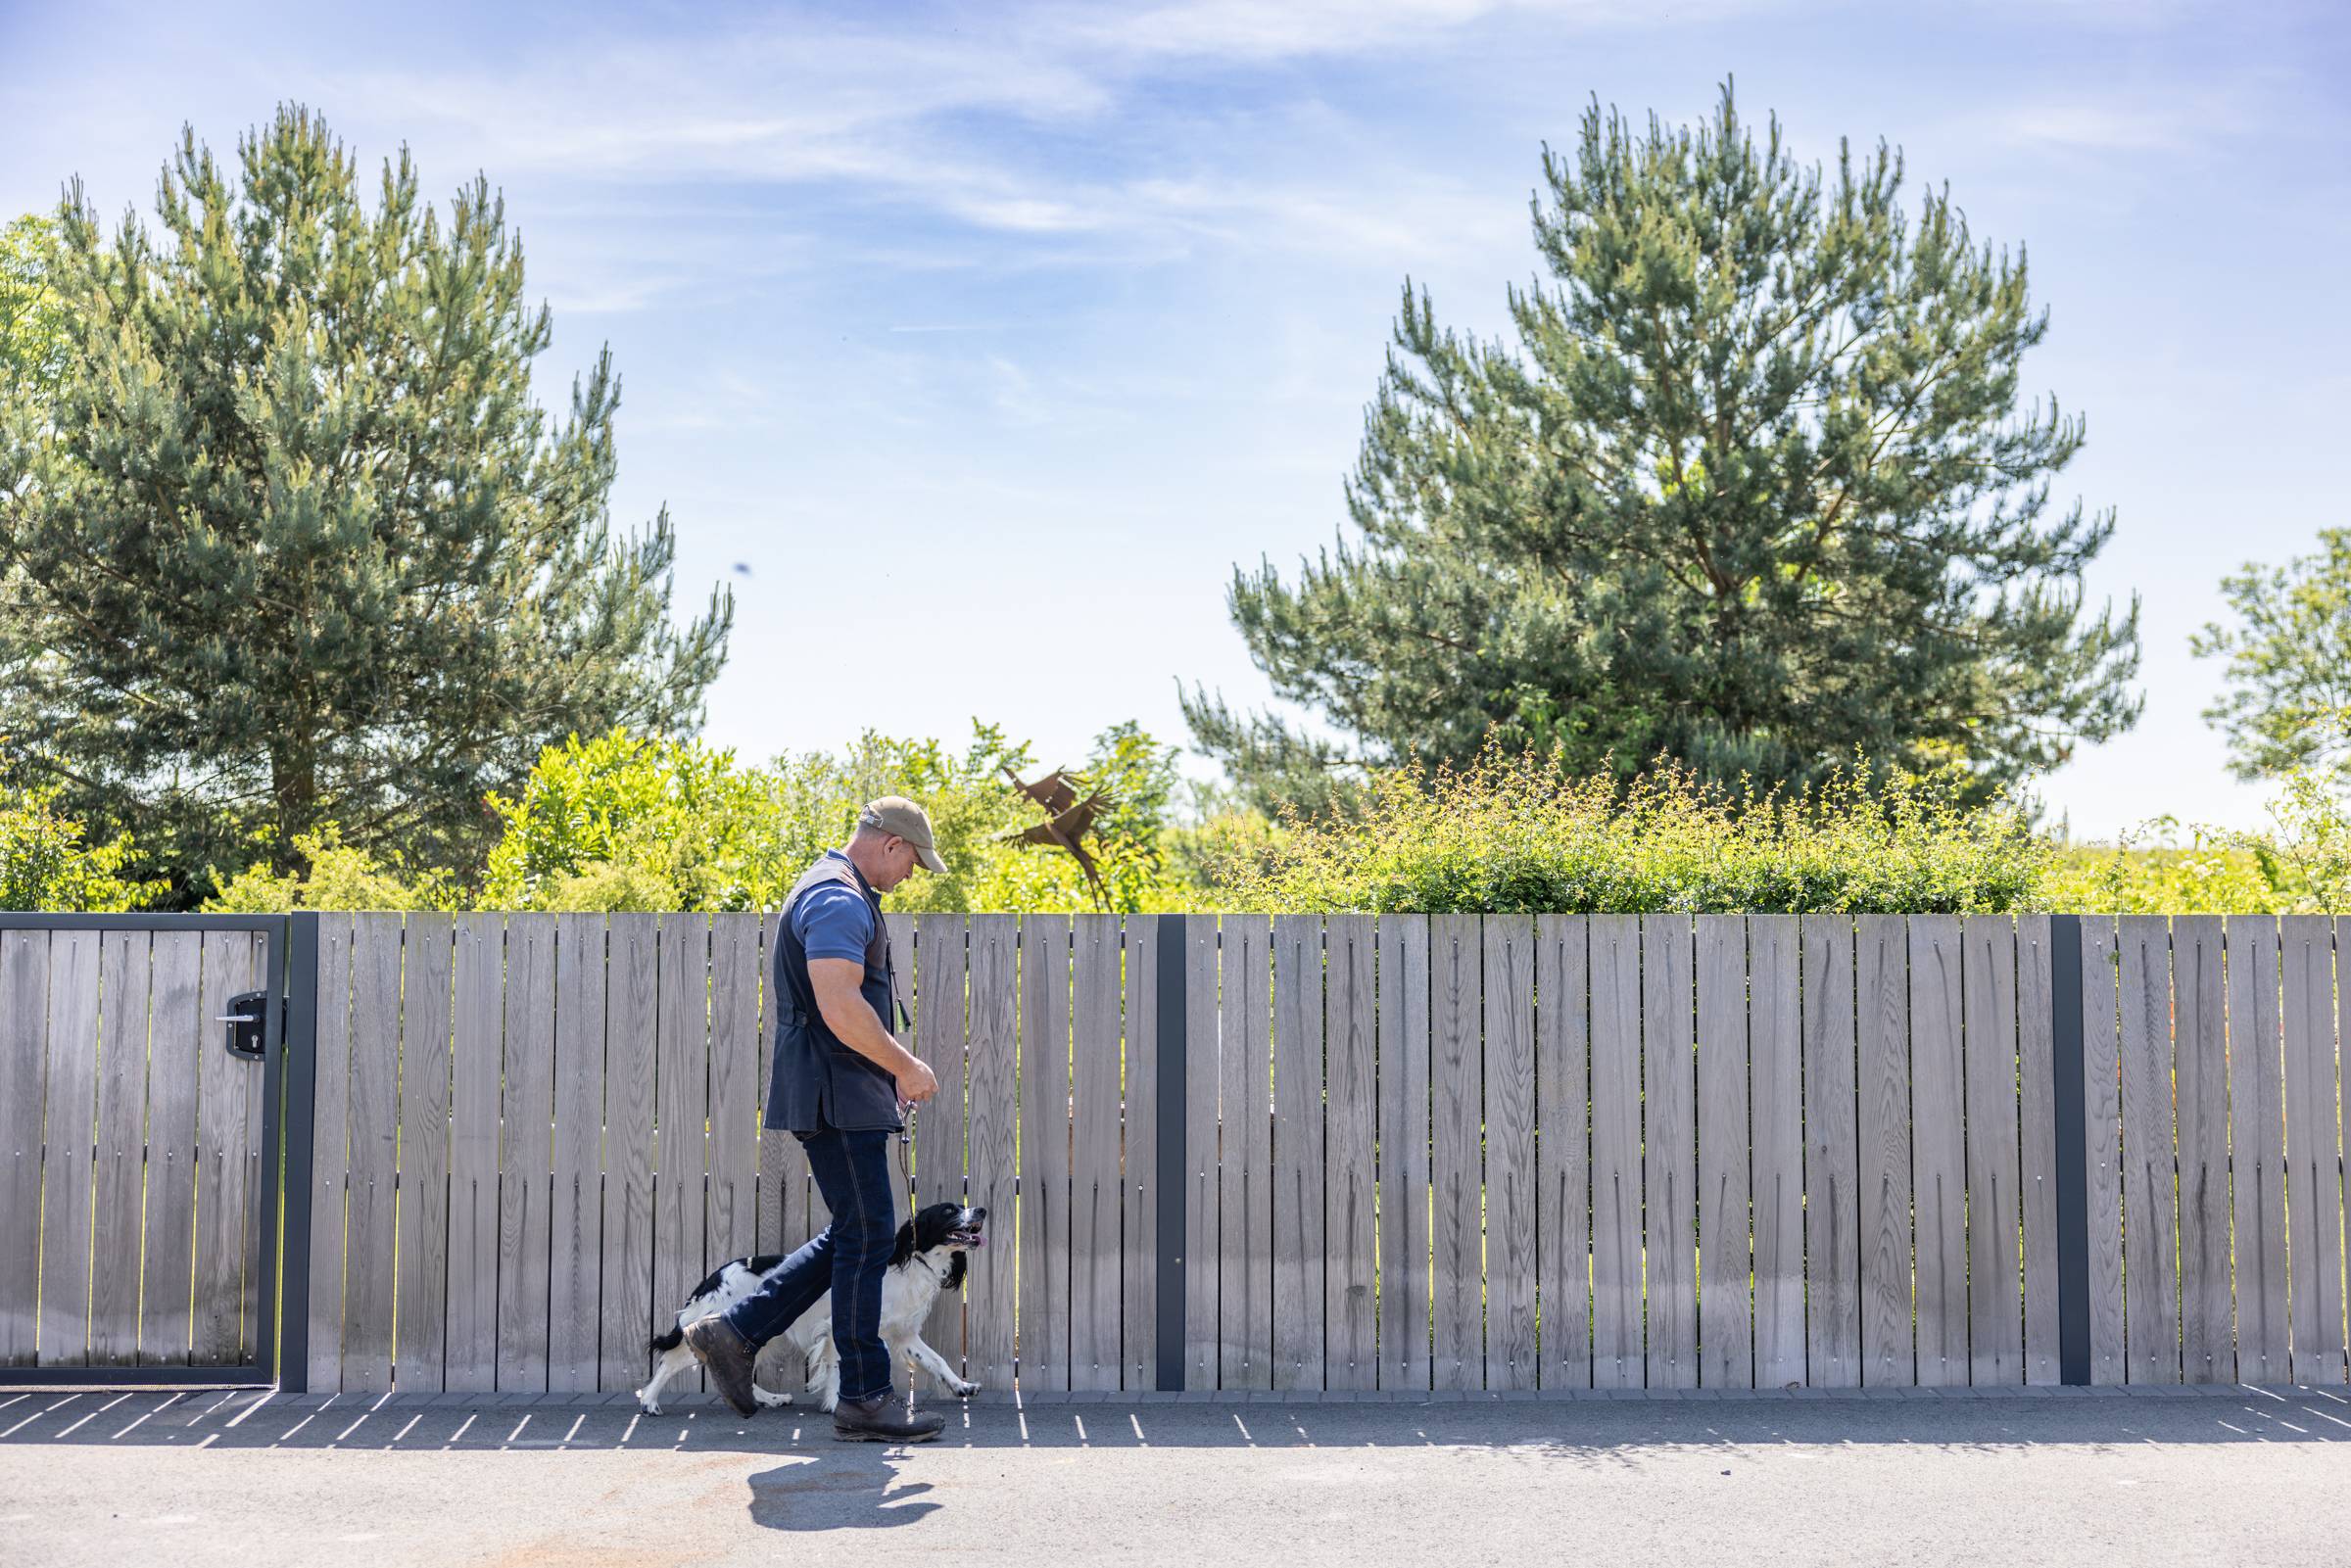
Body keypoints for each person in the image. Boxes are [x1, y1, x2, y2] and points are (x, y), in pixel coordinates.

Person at [684, 796, 947, 1442]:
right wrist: (906, 1066)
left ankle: (736, 1328)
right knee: (870, 1235)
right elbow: (839, 1003)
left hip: (840, 1089)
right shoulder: (837, 898)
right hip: (838, 1095)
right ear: (889, 844)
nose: (911, 874)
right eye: (912, 860)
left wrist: (885, 1074)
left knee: (857, 1231)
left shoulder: (836, 889)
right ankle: (862, 1394)